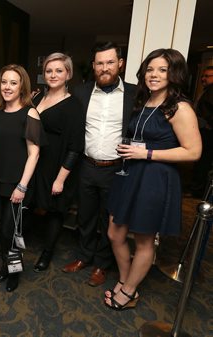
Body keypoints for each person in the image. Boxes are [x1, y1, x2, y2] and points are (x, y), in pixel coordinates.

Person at [104, 48, 201, 310]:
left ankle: (129, 292)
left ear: (175, 74)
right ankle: (125, 280)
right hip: (130, 175)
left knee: (145, 240)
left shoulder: (179, 107)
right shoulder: (143, 101)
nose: (154, 75)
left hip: (155, 179)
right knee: (115, 232)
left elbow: (193, 151)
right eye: (150, 69)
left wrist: (145, 152)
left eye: (162, 70)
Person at [62, 42, 136, 287]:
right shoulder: (81, 92)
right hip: (86, 165)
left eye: (110, 62)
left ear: (120, 64)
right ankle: (84, 255)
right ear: (93, 66)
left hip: (117, 169)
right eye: (100, 63)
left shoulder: (134, 95)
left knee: (109, 221)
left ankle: (101, 264)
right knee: (85, 216)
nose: (105, 68)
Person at [0, 64, 41, 292]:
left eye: (13, 83)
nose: (7, 87)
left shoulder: (30, 113)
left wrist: (22, 186)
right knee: (0, 227)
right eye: (4, 82)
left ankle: (15, 271)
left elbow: (34, 153)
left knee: (13, 230)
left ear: (22, 87)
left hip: (17, 185)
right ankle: (6, 266)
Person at [32, 53, 84, 272]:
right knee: (30, 203)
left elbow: (76, 146)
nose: (53, 75)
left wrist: (61, 179)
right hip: (35, 163)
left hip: (57, 166)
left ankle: (47, 252)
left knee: (55, 210)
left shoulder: (74, 105)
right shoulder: (36, 99)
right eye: (49, 71)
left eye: (58, 70)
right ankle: (18, 242)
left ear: (68, 74)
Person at [189, 66, 213, 197]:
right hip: (204, 131)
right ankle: (196, 187)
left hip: (208, 133)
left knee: (203, 161)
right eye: (203, 76)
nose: (203, 78)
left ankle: (197, 190)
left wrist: (208, 123)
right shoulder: (206, 90)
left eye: (207, 76)